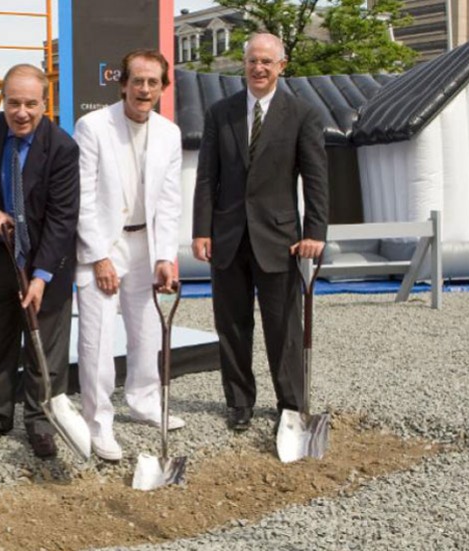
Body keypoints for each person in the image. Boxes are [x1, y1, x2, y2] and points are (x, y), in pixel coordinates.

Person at [192, 33, 329, 432]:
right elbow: (206, 178)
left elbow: (316, 179)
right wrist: (202, 229)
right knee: (231, 324)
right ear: (244, 63)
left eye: (267, 61)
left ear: (281, 66)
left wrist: (315, 231)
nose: (259, 68)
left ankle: (291, 403)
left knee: (284, 327)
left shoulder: (303, 114)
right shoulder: (221, 113)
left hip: (280, 240)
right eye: (253, 60)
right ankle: (238, 402)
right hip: (228, 237)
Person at [0, 64, 80, 458]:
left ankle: (41, 422)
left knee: (45, 350)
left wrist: (40, 277)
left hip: (46, 263)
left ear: (46, 103)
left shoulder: (61, 147)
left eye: (30, 104)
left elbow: (62, 219)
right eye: (13, 103)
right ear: (2, 101)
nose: (21, 112)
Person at [73, 49, 185, 461]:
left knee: (147, 331)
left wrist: (164, 256)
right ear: (122, 84)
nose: (144, 89)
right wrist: (98, 255)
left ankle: (143, 401)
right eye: (137, 81)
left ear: (162, 88)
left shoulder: (169, 134)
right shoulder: (92, 127)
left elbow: (170, 200)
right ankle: (98, 423)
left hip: (146, 246)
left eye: (152, 82)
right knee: (97, 340)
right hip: (103, 244)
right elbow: (81, 197)